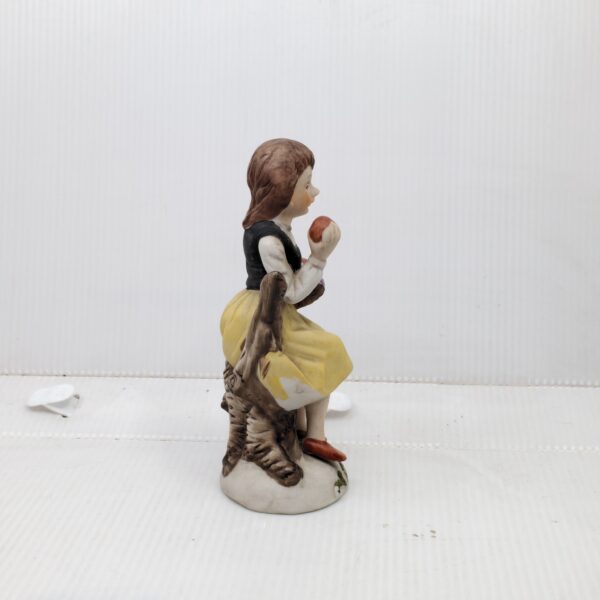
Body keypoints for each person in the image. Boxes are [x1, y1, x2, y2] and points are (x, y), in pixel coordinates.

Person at [220, 138, 353, 462]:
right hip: (260, 317)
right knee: (327, 348)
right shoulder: (268, 239)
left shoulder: (277, 228)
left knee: (322, 348)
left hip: (269, 308)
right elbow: (290, 292)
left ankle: (304, 426)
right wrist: (319, 259)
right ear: (283, 190)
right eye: (307, 185)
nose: (315, 192)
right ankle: (314, 435)